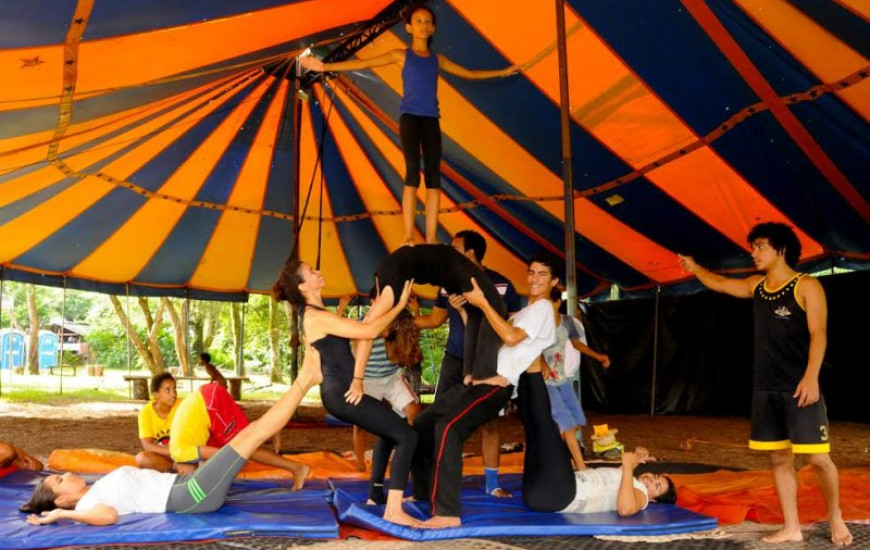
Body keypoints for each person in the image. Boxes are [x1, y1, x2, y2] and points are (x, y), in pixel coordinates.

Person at [678, 222, 852, 546]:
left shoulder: (807, 286)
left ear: (781, 249)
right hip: (765, 390)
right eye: (753, 247)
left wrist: (812, 376)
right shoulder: (756, 286)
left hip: (800, 387)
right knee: (780, 459)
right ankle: (792, 527)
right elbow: (719, 283)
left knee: (817, 459)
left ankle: (836, 517)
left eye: (760, 246)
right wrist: (695, 267)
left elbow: (819, 335)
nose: (753, 252)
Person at [299, 4, 517, 246]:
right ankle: (408, 235)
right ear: (409, 27)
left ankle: (432, 236)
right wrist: (325, 67)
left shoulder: (437, 60)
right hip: (410, 118)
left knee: (434, 178)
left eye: (427, 21)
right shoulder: (400, 55)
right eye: (419, 21)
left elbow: (471, 74)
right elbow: (363, 64)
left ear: (433, 28)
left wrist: (502, 72)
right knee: (412, 172)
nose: (423, 25)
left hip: (431, 120)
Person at [20, 379, 320, 526]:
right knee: (252, 434)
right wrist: (60, 515)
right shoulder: (92, 503)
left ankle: (304, 382)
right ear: (62, 499)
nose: (67, 473)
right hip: (193, 495)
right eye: (60, 481)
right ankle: (305, 380)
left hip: (188, 485)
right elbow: (109, 516)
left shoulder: (92, 489)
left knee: (248, 436)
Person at [410, 255, 555, 528]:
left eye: (543, 275)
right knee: (423, 422)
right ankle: (422, 492)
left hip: (495, 384)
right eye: (532, 273)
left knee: (448, 428)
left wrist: (484, 303)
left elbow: (511, 338)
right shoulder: (525, 311)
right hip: (481, 378)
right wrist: (467, 312)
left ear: (554, 281)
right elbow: (493, 337)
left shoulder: (544, 309)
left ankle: (448, 513)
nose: (535, 279)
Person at [273, 256, 419, 527]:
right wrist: (399, 304)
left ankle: (378, 496)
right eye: (311, 271)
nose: (318, 272)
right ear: (304, 286)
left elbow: (360, 332)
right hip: (341, 395)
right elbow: (369, 330)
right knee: (408, 436)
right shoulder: (315, 317)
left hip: (341, 391)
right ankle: (394, 510)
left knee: (395, 430)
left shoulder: (320, 313)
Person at [412, 230, 520, 497]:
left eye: (455, 248)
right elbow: (434, 321)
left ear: (470, 254)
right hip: (453, 361)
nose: (450, 252)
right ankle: (432, 484)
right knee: (438, 419)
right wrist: (399, 323)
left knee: (490, 423)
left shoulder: (502, 285)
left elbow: (513, 329)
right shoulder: (447, 284)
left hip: (487, 364)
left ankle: (492, 484)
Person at [517, 369, 675, 516]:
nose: (651, 480)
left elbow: (625, 509)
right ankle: (525, 371)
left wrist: (628, 466)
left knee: (547, 429)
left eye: (657, 486)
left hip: (561, 494)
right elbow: (622, 474)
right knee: (532, 431)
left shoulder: (642, 496)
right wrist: (635, 459)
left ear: (654, 499)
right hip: (536, 495)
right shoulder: (629, 479)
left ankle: (533, 370)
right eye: (655, 476)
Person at [169, 382, 309, 490]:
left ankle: (296, 467)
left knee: (244, 446)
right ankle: (272, 428)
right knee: (243, 441)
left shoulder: (181, 454)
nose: (191, 477)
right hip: (207, 405)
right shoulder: (180, 451)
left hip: (209, 403)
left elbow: (226, 454)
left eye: (186, 477)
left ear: (178, 470)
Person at [351, 303, 422, 503]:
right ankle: (362, 466)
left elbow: (428, 323)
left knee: (413, 412)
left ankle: (410, 456)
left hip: (391, 378)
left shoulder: (399, 319)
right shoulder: (363, 322)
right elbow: (355, 344)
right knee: (363, 425)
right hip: (367, 379)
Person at [544, 288, 611, 469]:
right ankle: (580, 466)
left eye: (547, 302)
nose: (543, 307)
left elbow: (576, 343)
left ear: (557, 302)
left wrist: (597, 356)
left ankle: (558, 455)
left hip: (562, 378)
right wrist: (542, 364)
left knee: (577, 420)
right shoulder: (539, 323)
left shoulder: (567, 322)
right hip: (545, 382)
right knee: (566, 423)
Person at [135, 372, 180, 472]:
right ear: (156, 394)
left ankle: (180, 468)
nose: (173, 394)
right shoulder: (145, 413)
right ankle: (174, 469)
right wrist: (171, 452)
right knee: (141, 459)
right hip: (165, 456)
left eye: (174, 389)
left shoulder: (183, 406)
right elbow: (147, 445)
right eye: (168, 390)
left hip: (185, 453)